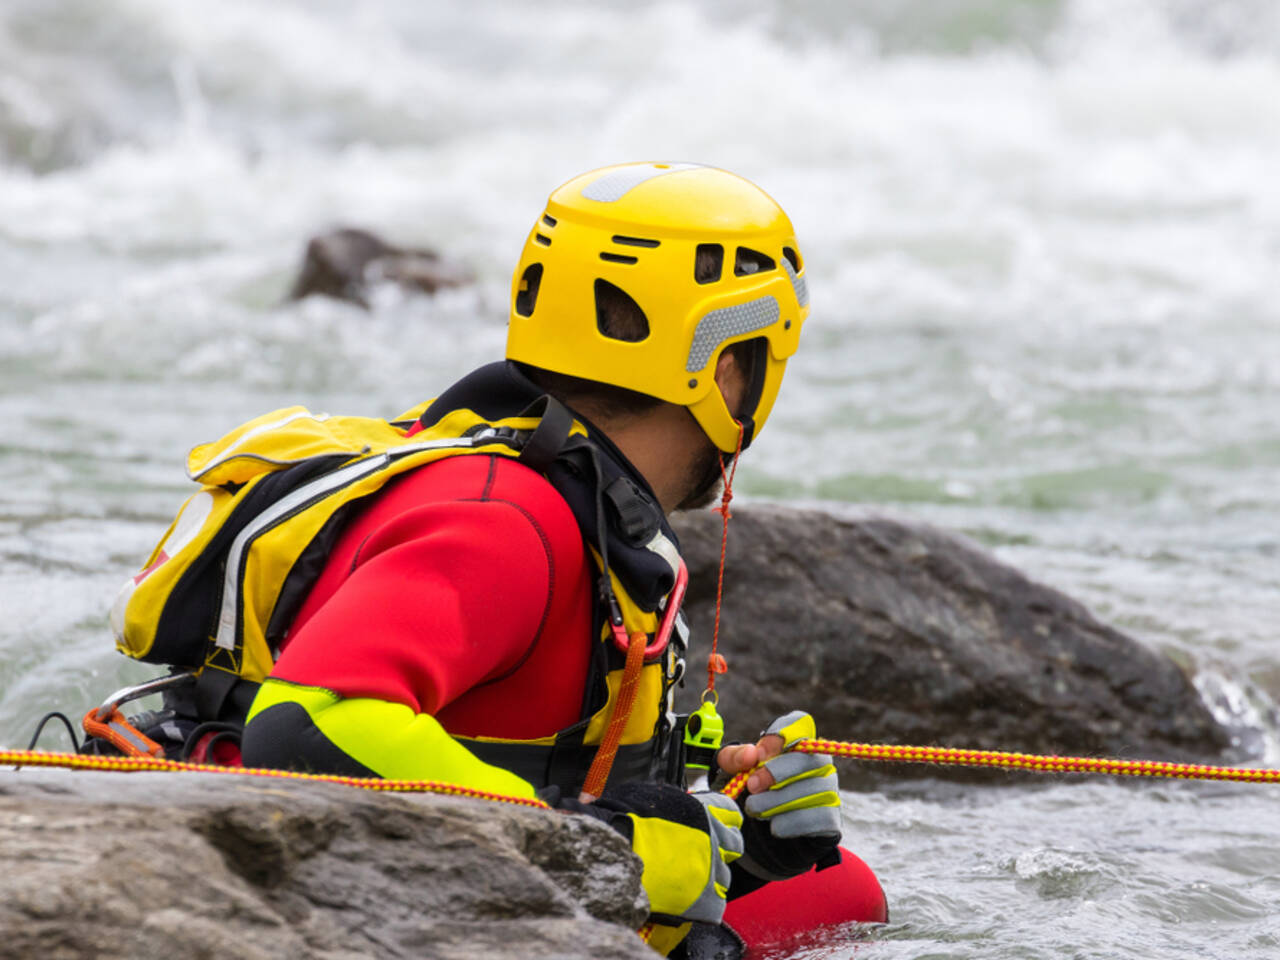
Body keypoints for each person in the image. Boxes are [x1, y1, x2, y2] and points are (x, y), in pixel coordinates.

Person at [239, 162, 840, 954]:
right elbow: (300, 723)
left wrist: (738, 820)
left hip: (442, 876)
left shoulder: (578, 504)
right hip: (327, 897)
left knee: (834, 892)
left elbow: (530, 749)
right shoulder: (506, 526)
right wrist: (602, 848)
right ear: (728, 372)